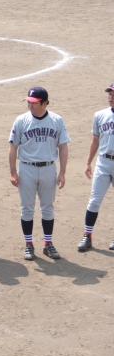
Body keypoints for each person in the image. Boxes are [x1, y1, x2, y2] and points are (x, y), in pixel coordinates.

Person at [9, 87, 70, 260]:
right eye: (29, 101)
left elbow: (63, 147)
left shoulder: (56, 120)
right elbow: (13, 146)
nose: (30, 105)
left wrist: (62, 172)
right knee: (27, 208)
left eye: (34, 102)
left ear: (45, 103)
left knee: (47, 208)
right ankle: (29, 244)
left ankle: (48, 243)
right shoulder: (21, 120)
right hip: (26, 168)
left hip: (49, 168)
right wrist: (13, 172)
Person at [79, 84, 114, 252]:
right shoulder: (100, 115)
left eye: (113, 95)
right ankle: (87, 236)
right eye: (109, 94)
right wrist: (88, 162)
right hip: (103, 162)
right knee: (94, 200)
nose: (110, 97)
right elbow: (95, 140)